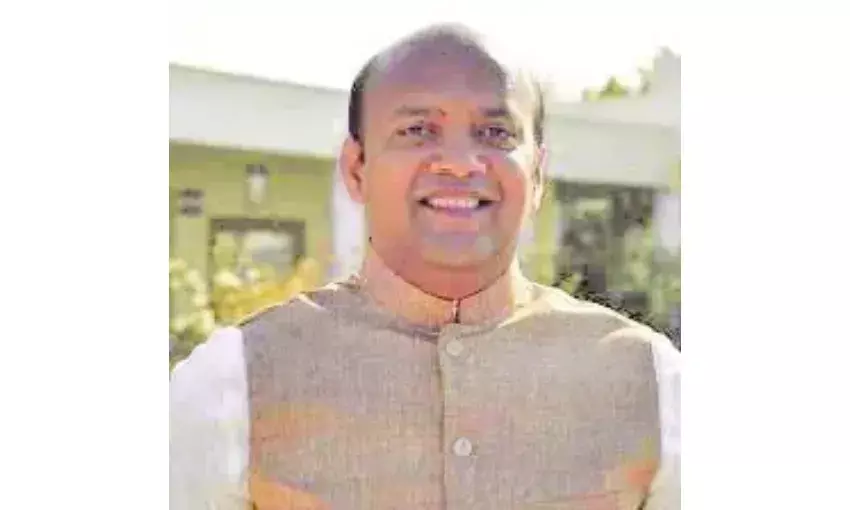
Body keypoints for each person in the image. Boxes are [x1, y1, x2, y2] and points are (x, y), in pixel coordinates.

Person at [170, 23, 680, 510]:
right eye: (417, 130)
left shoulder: (652, 383)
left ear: (538, 176)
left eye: (495, 132)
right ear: (357, 169)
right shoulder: (233, 382)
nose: (459, 162)